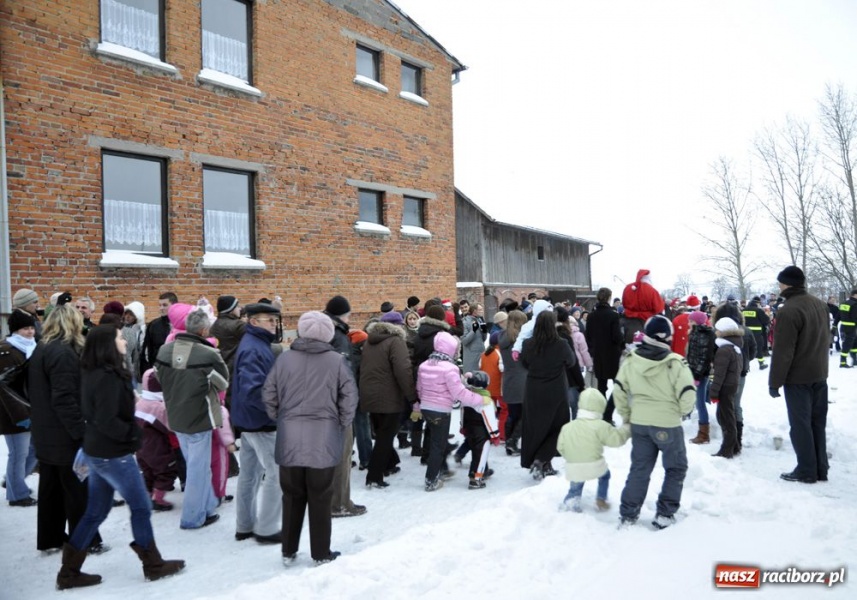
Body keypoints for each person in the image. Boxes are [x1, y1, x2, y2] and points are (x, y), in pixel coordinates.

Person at [55, 325, 184, 590]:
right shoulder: (108, 377)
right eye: (119, 337)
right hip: (113, 454)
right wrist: (134, 437)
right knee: (140, 507)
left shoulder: (91, 372)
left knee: (95, 511)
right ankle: (154, 564)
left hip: (98, 452)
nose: (124, 340)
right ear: (107, 345)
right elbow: (107, 419)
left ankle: (69, 572)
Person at [263, 311, 358, 565]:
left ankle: (288, 550)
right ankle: (320, 552)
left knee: (292, 495)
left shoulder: (284, 360)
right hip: (323, 438)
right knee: (320, 494)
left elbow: (269, 394)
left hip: (290, 437)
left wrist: (282, 417)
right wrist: (340, 422)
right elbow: (349, 397)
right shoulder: (336, 361)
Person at [28, 303, 106, 553]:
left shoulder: (42, 348)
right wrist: (81, 433)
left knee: (51, 489)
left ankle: (50, 539)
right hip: (63, 434)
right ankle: (86, 541)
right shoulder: (62, 353)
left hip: (46, 431)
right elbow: (64, 398)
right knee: (77, 490)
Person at [613, 315, 695, 529]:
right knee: (676, 468)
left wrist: (627, 415)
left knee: (640, 468)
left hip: (640, 423)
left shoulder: (631, 360)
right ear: (667, 336)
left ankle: (628, 513)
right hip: (667, 424)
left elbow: (619, 390)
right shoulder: (675, 363)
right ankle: (665, 514)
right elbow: (687, 392)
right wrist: (680, 412)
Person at [156, 309, 228, 529]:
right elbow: (223, 383)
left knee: (196, 465)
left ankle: (207, 506)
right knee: (198, 469)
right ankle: (193, 517)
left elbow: (160, 377)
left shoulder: (165, 350)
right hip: (199, 416)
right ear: (204, 330)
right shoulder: (208, 353)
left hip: (175, 416)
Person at [769, 266, 830, 484]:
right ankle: (820, 468)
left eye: (780, 283)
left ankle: (806, 470)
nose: (779, 286)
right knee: (817, 423)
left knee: (801, 425)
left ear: (787, 284)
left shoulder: (788, 310)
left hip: (798, 378)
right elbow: (826, 339)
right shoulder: (820, 304)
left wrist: (775, 382)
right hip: (819, 374)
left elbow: (783, 351)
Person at [231, 303, 283, 544]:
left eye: (275, 320)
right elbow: (254, 390)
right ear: (254, 322)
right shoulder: (254, 348)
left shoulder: (256, 344)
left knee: (250, 475)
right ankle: (267, 528)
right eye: (269, 320)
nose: (274, 324)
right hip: (261, 422)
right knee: (277, 474)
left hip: (250, 421)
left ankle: (244, 525)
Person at [414, 331, 485, 492]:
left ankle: (440, 471)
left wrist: (418, 406)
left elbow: (419, 388)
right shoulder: (450, 368)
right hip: (441, 411)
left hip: (426, 409)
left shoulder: (424, 365)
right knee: (438, 446)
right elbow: (459, 393)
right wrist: (480, 400)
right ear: (451, 349)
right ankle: (431, 480)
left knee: (436, 442)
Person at [359, 311, 416, 489]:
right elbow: (403, 370)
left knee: (382, 432)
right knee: (385, 436)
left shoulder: (369, 341)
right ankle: (374, 476)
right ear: (398, 325)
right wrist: (412, 395)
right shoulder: (396, 341)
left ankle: (390, 464)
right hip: (388, 396)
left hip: (369, 394)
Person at [323, 294, 367, 519]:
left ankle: (328, 500)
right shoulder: (338, 336)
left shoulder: (318, 332)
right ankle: (339, 503)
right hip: (336, 406)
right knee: (342, 455)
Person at [520, 310, 576, 480]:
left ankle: (544, 463)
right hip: (555, 391)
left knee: (536, 427)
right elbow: (571, 362)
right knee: (559, 428)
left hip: (533, 390)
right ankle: (542, 459)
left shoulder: (528, 344)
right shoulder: (561, 344)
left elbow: (524, 363)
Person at [557, 389, 631, 512]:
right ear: (600, 406)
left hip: (574, 466)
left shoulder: (568, 427)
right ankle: (601, 498)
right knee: (605, 476)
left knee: (576, 485)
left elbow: (561, 447)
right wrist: (627, 428)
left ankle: (571, 502)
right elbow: (616, 439)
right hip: (595, 466)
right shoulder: (601, 425)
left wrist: (571, 457)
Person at [1, 310, 38, 506]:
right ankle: (17, 495)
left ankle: (13, 481)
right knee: (19, 452)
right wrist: (22, 416)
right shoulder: (6, 351)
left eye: (32, 327)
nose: (30, 332)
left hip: (31, 410)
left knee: (34, 450)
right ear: (15, 330)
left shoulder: (31, 347)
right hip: (14, 414)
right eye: (25, 328)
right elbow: (5, 389)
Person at [135, 369, 178, 511]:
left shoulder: (140, 403)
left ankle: (146, 496)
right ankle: (158, 499)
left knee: (148, 473)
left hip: (140, 447)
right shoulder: (158, 407)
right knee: (166, 470)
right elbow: (169, 427)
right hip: (156, 447)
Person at [584, 288, 624, 422]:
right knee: (618, 386)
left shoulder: (591, 316)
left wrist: (593, 350)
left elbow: (588, 336)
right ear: (609, 297)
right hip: (613, 355)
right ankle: (607, 414)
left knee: (601, 386)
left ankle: (603, 414)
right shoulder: (613, 315)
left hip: (599, 355)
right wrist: (622, 345)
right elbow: (616, 336)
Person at [710, 317, 743, 458]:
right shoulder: (735, 347)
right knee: (727, 416)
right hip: (732, 385)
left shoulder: (724, 349)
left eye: (717, 329)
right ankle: (734, 446)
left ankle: (727, 450)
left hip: (725, 387)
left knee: (726, 418)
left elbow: (719, 374)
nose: (715, 332)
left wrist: (714, 392)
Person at [497, 310, 528, 456]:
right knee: (526, 414)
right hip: (522, 378)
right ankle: (512, 441)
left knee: (513, 414)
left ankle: (509, 442)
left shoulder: (502, 336)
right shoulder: (520, 340)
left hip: (509, 378)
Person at [460, 371, 497, 489]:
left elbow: (462, 413)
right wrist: (495, 434)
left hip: (470, 430)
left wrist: (463, 427)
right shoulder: (485, 400)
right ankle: (476, 479)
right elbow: (489, 419)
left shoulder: (467, 397)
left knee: (475, 454)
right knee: (481, 454)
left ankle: (479, 472)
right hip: (482, 432)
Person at [685, 311, 716, 444]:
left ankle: (704, 434)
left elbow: (704, 357)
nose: (688, 323)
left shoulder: (703, 334)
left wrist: (697, 375)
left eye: (690, 321)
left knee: (700, 402)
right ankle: (702, 431)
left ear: (696, 322)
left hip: (700, 374)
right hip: (694, 371)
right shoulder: (695, 333)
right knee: (698, 401)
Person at [140, 292, 177, 378]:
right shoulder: (153, 325)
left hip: (177, 371)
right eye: (159, 305)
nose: (161, 308)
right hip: (158, 371)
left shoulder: (180, 324)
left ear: (174, 305)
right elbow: (147, 351)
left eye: (164, 305)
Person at [621, 270, 662, 344]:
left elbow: (624, 303)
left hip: (629, 322)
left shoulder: (627, 288)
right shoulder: (652, 291)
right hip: (646, 323)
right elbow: (658, 308)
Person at [742, 296, 770, 370]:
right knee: (759, 347)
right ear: (757, 303)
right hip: (756, 333)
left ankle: (746, 365)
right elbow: (766, 321)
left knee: (746, 348)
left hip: (745, 332)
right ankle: (761, 364)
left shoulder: (743, 310)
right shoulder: (758, 310)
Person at [460, 303, 488, 373]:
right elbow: (464, 341)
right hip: (471, 357)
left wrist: (484, 331)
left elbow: (483, 339)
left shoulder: (480, 320)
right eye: (480, 310)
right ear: (474, 311)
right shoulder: (465, 321)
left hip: (481, 354)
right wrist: (473, 331)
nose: (482, 311)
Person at [839, 289, 857, 368]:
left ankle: (854, 360)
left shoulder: (843, 304)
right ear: (855, 295)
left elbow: (838, 316)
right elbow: (854, 317)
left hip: (844, 327)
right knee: (848, 345)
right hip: (851, 327)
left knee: (851, 344)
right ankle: (843, 362)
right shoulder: (854, 304)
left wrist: (835, 325)